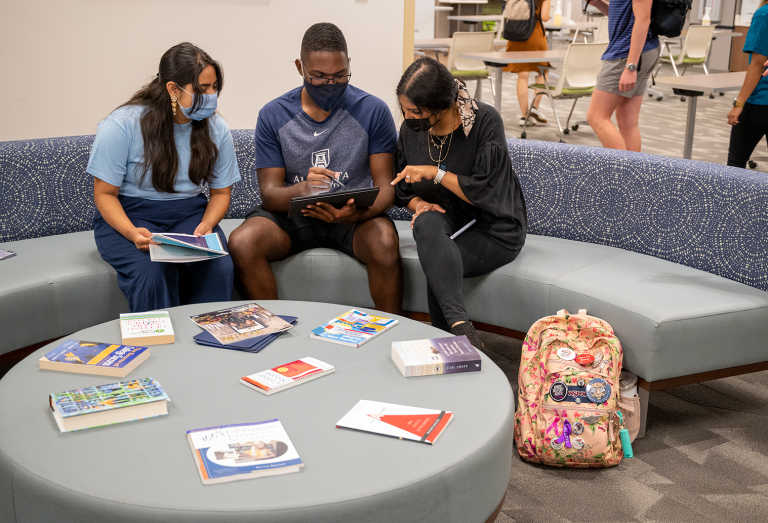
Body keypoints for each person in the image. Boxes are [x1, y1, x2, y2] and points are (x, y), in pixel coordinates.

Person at [228, 23, 403, 314]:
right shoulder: (274, 114)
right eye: (319, 77)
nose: (330, 84)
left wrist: (357, 214)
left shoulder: (373, 110)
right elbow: (270, 195)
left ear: (349, 65)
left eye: (340, 76)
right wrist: (303, 189)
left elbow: (386, 186)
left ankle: (393, 336)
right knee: (242, 242)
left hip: (355, 217)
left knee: (384, 242)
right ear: (300, 67)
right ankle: (274, 331)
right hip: (295, 217)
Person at [88, 42, 240, 313]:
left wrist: (207, 224)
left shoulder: (216, 128)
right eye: (202, 88)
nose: (212, 95)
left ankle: (209, 349)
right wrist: (131, 232)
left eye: (215, 86)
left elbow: (220, 193)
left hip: (189, 215)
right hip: (129, 215)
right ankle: (160, 351)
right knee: (153, 274)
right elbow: (104, 194)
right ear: (173, 89)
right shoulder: (121, 125)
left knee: (219, 267)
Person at [392, 57, 528, 349]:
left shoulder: (484, 122)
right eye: (404, 109)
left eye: (415, 111)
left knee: (437, 265)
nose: (408, 117)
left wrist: (436, 173)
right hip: (449, 220)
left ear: (442, 106)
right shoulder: (411, 131)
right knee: (427, 224)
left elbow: (485, 191)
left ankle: (453, 342)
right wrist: (419, 205)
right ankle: (462, 334)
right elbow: (402, 189)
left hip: (494, 226)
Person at [585, 0, 660, 151]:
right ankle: (631, 173)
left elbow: (643, 19)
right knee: (628, 122)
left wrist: (630, 67)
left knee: (597, 117)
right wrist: (599, 4)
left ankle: (622, 171)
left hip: (626, 54)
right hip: (638, 51)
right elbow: (623, 16)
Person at [727, 0, 768, 168]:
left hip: (760, 102)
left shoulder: (764, 14)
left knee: (735, 166)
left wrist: (739, 103)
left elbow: (758, 65)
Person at [503, 0, 551, 127]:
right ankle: (534, 107)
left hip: (516, 36)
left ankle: (524, 116)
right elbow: (545, 17)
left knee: (522, 75)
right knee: (543, 71)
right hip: (534, 35)